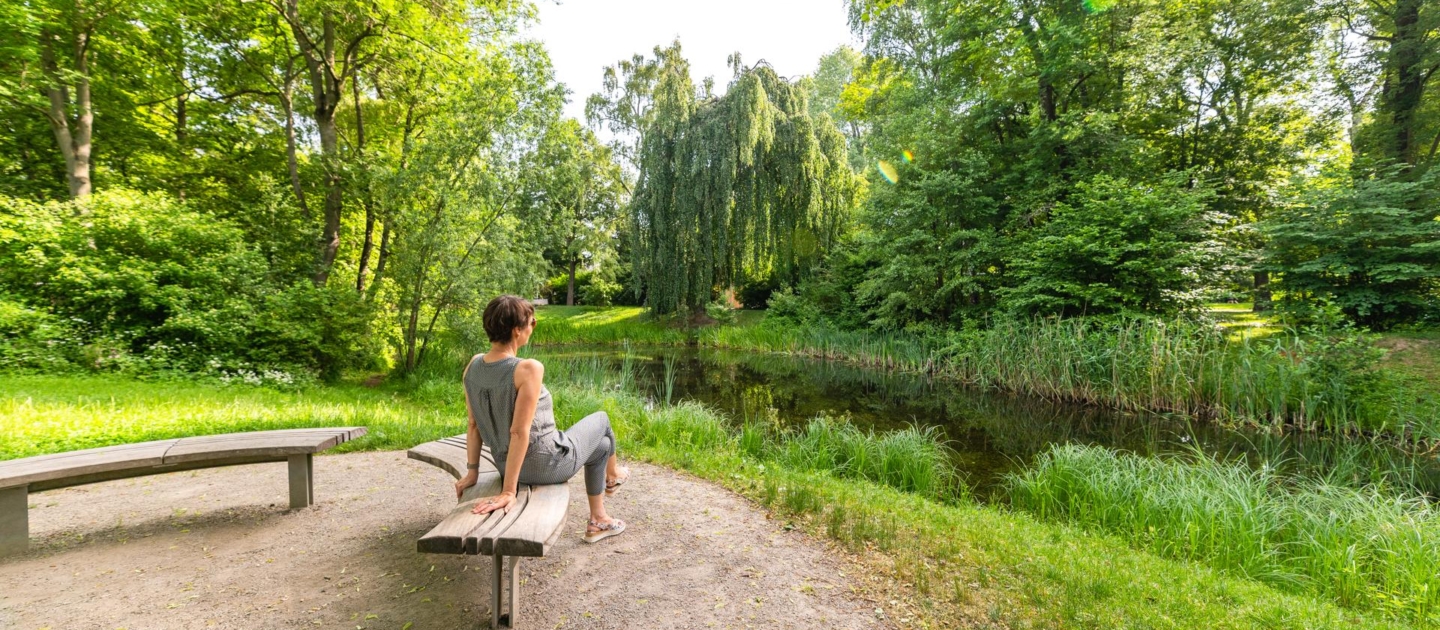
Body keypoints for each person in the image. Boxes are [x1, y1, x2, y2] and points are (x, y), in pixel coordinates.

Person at [455, 294, 630, 543]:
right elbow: (518, 432)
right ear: (517, 331)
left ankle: (598, 520)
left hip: (507, 465)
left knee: (601, 446)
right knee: (601, 419)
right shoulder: (527, 368)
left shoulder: (473, 365)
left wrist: (472, 472)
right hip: (547, 464)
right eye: (531, 322)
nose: (533, 326)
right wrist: (508, 491)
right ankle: (614, 476)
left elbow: (473, 425)